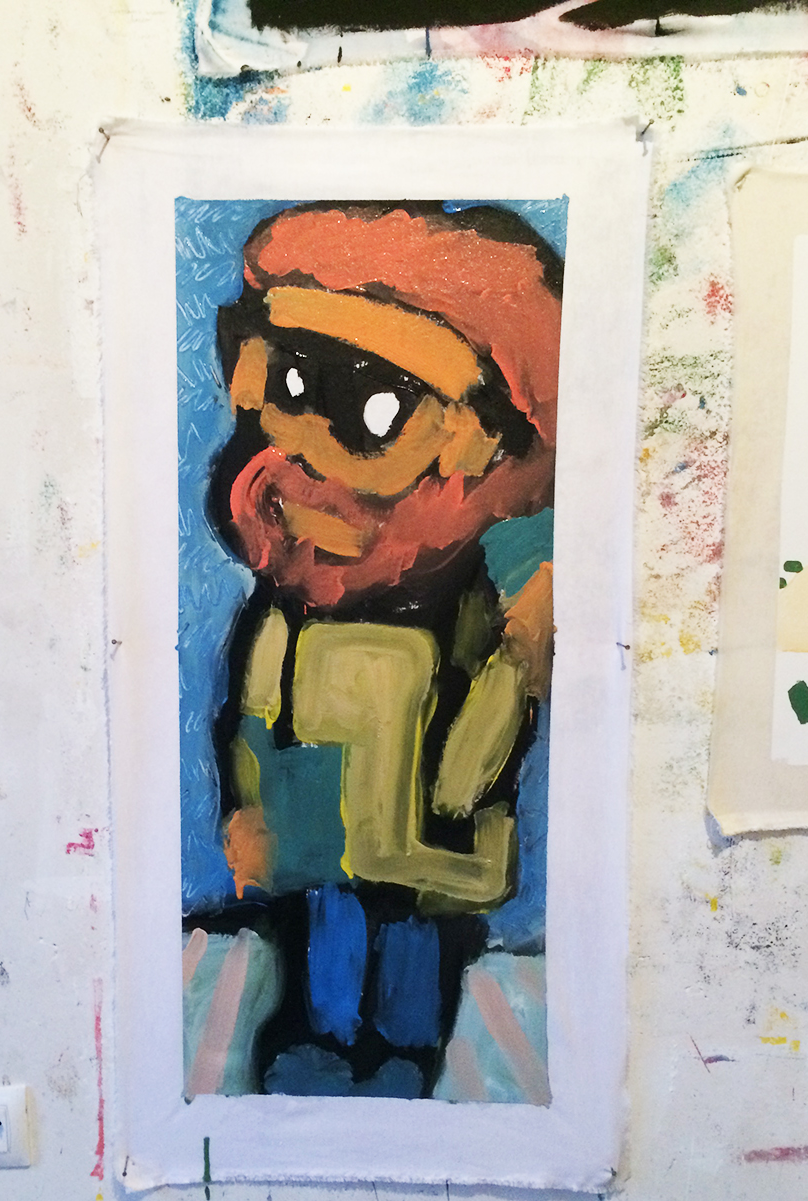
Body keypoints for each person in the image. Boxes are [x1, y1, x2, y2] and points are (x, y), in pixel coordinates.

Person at [200, 201, 562, 1098]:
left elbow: (490, 718)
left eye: (369, 409)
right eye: (287, 391)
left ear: (481, 444)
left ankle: (403, 1042)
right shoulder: (286, 608)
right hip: (310, 839)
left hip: (423, 855)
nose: (302, 448)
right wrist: (247, 804)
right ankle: (319, 1033)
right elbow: (254, 707)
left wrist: (463, 787)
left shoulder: (466, 611)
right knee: (318, 952)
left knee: (410, 963)